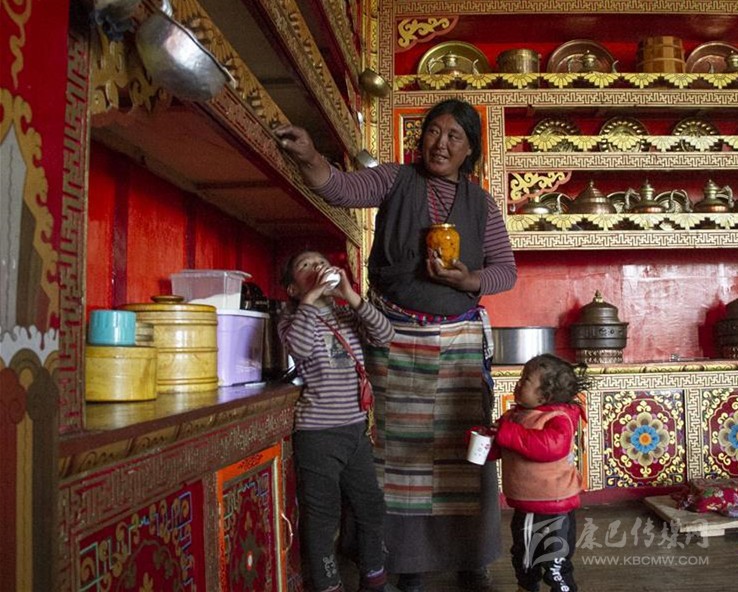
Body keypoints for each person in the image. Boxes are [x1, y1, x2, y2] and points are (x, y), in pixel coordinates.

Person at [275, 98, 517, 592]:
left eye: (454, 136)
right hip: (392, 336)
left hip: (458, 341)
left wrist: (470, 278)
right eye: (432, 132)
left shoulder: (481, 204)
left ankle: (469, 555)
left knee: (460, 450)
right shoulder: (394, 179)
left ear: (469, 149)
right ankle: (400, 561)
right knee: (396, 455)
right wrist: (310, 157)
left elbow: (506, 271)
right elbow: (341, 188)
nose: (440, 144)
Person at [278, 249, 396, 592]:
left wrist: (349, 294)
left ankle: (374, 578)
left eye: (319, 262)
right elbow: (299, 348)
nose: (316, 266)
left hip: (355, 430)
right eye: (304, 265)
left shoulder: (347, 315)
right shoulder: (292, 320)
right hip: (318, 434)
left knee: (370, 506)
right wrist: (310, 300)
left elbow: (385, 335)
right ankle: (328, 584)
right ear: (293, 289)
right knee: (323, 514)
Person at [487, 354, 591, 592]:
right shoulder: (515, 416)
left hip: (552, 504)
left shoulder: (558, 417)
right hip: (527, 505)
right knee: (524, 556)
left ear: (545, 395)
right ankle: (526, 587)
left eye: (525, 380)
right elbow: (504, 447)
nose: (518, 383)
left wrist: (507, 433)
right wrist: (486, 440)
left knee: (555, 561)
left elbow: (551, 446)